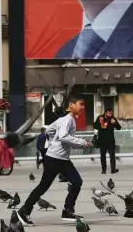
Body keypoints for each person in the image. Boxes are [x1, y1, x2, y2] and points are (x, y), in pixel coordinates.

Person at [17, 91, 92, 225]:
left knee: (76, 182)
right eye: (80, 104)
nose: (82, 107)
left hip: (60, 158)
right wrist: (82, 142)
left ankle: (67, 210)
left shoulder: (63, 120)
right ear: (71, 105)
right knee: (44, 187)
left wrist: (53, 141)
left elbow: (49, 131)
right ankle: (24, 211)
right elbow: (63, 136)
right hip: (55, 159)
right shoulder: (68, 119)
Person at [93, 108, 121, 174]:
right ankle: (103, 170)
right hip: (102, 140)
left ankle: (113, 169)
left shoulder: (113, 119)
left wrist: (115, 123)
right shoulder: (100, 118)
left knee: (112, 155)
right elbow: (94, 126)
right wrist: (101, 125)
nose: (110, 115)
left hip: (111, 140)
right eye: (109, 113)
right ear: (105, 113)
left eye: (111, 113)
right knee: (102, 156)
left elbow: (119, 128)